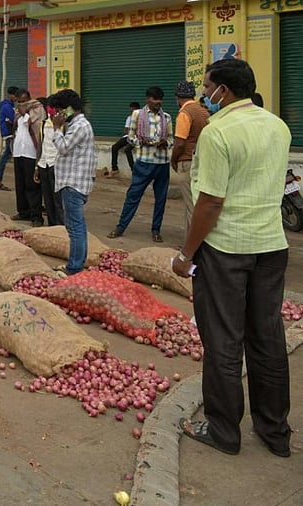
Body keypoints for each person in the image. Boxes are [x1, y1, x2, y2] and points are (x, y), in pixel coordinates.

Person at [172, 58, 292, 459]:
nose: (204, 94)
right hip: (272, 246)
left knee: (224, 340)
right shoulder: (278, 126)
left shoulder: (217, 131)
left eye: (207, 87)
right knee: (267, 337)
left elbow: (209, 202)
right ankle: (275, 432)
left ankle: (224, 430)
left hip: (226, 250)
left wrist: (186, 253)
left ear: (223, 89)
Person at [108, 86, 173, 243]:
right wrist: (141, 141)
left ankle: (156, 230)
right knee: (133, 196)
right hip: (144, 162)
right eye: (154, 99)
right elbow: (130, 138)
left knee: (161, 199)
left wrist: (166, 142)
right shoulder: (137, 115)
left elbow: (171, 139)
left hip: (162, 163)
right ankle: (121, 227)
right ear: (147, 99)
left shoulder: (167, 117)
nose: (157, 103)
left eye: (160, 100)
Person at [48, 89, 96, 275]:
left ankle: (74, 268)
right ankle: (77, 263)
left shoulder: (80, 126)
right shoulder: (75, 124)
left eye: (60, 110)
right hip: (71, 181)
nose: (57, 114)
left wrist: (55, 128)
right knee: (76, 226)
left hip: (74, 184)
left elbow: (64, 147)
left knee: (75, 228)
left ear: (68, 109)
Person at [169, 81, 209, 230]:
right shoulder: (203, 111)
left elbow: (180, 143)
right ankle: (189, 242)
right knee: (195, 203)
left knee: (191, 206)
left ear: (178, 97)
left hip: (187, 162)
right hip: (202, 160)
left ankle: (194, 247)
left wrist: (173, 160)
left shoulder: (184, 114)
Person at [10, 88, 46, 226]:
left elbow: (31, 123)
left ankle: (36, 216)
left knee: (33, 185)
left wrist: (25, 113)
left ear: (29, 99)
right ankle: (23, 211)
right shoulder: (18, 112)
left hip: (31, 153)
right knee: (20, 184)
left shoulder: (37, 108)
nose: (21, 105)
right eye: (18, 102)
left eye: (24, 102)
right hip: (19, 151)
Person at [35, 97, 63, 227]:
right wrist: (37, 166)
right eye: (49, 107)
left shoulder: (64, 125)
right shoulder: (44, 123)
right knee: (47, 198)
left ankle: (60, 226)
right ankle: (52, 225)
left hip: (56, 165)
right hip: (44, 164)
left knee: (58, 199)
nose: (51, 110)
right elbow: (40, 145)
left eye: (53, 107)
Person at [0, 86, 18, 191]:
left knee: (6, 156)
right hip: (10, 134)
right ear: (10, 95)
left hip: (10, 134)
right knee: (8, 157)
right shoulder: (7, 107)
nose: (16, 98)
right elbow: (14, 119)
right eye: (15, 95)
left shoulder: (10, 105)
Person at [110, 102, 140, 174]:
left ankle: (133, 170)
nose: (132, 111)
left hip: (138, 138)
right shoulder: (129, 118)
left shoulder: (142, 119)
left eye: (134, 110)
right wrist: (131, 132)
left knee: (127, 149)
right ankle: (115, 168)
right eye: (131, 110)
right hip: (129, 136)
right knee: (114, 147)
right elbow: (126, 130)